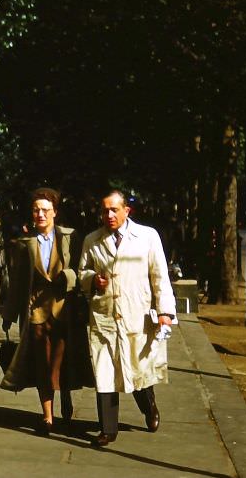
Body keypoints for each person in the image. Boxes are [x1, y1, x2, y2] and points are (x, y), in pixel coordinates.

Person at [78, 189, 176, 447]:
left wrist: (165, 312)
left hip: (137, 315)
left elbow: (159, 276)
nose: (109, 215)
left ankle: (149, 406)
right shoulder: (92, 240)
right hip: (104, 316)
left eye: (114, 210)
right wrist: (92, 280)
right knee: (105, 372)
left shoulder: (147, 236)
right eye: (105, 211)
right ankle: (107, 429)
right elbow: (82, 272)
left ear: (126, 211)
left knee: (136, 370)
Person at [0, 188, 93, 436]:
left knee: (63, 362)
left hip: (65, 310)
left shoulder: (70, 237)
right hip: (36, 312)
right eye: (36, 210)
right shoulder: (24, 244)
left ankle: (66, 398)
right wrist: (9, 315)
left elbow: (81, 268)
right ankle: (47, 416)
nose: (40, 214)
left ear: (54, 212)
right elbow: (17, 281)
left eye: (45, 210)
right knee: (42, 364)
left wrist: (68, 277)